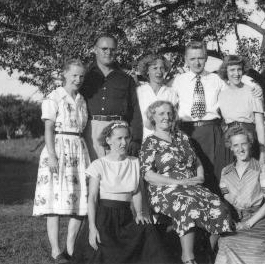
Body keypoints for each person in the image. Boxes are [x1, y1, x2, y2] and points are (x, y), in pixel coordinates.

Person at [140, 100, 234, 264]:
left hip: (191, 186)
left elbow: (197, 161)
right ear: (152, 117)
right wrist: (177, 183)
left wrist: (200, 177)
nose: (167, 117)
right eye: (161, 113)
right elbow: (148, 175)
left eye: (169, 113)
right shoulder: (150, 142)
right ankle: (188, 257)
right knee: (187, 205)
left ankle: (205, 253)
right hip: (164, 189)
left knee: (220, 207)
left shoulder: (182, 137)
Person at [71, 121, 170, 264]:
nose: (124, 142)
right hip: (104, 218)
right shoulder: (98, 165)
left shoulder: (135, 162)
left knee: (148, 232)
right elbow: (92, 198)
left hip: (126, 216)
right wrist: (92, 227)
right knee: (103, 252)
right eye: (119, 138)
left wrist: (140, 213)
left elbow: (136, 192)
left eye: (127, 138)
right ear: (108, 140)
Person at [172, 41, 262, 191]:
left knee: (214, 173)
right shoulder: (178, 81)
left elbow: (237, 80)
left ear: (206, 58)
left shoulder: (217, 79)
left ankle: (217, 209)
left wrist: (255, 85)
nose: (197, 62)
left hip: (211, 131)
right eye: (192, 59)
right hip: (186, 131)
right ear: (186, 60)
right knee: (189, 170)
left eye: (200, 58)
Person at [33, 59, 90, 263]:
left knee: (81, 199)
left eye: (81, 76)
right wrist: (52, 156)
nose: (78, 79)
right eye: (74, 75)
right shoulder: (54, 97)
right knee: (54, 201)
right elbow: (48, 128)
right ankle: (56, 251)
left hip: (78, 149)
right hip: (57, 147)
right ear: (64, 74)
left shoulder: (82, 99)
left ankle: (71, 246)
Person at [215, 125, 265, 264]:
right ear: (230, 147)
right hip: (235, 220)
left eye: (244, 144)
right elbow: (225, 197)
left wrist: (248, 223)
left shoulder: (262, 168)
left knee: (251, 254)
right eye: (236, 145)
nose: (240, 149)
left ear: (250, 144)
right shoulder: (225, 171)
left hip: (257, 221)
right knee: (225, 246)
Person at [80, 33, 143, 160]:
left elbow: (135, 110)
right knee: (93, 173)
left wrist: (135, 139)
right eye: (104, 49)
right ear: (95, 50)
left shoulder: (126, 79)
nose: (108, 52)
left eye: (112, 49)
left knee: (117, 173)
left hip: (119, 131)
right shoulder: (84, 77)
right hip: (92, 130)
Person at [218, 55, 265, 164]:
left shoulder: (253, 92)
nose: (236, 73)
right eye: (232, 70)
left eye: (239, 69)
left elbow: (260, 125)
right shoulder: (221, 95)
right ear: (226, 72)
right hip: (229, 141)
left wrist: (262, 153)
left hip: (248, 139)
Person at [137, 54, 178, 139]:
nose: (159, 72)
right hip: (143, 138)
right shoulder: (139, 91)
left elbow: (174, 119)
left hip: (166, 139)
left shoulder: (171, 93)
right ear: (147, 71)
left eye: (161, 68)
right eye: (155, 68)